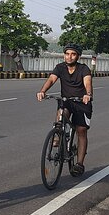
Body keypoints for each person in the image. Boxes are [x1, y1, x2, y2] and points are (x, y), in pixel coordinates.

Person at [36, 43, 93, 176]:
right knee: (61, 114)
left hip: (82, 102)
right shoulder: (60, 68)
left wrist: (88, 94)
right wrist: (43, 91)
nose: (69, 57)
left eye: (73, 54)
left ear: (78, 56)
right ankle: (58, 135)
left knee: (81, 130)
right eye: (67, 54)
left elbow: (87, 83)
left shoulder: (84, 69)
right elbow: (51, 79)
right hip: (67, 101)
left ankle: (79, 164)